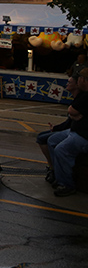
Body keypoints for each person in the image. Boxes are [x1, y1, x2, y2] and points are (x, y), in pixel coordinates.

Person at [47, 68, 88, 196]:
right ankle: (58, 175)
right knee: (51, 140)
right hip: (74, 130)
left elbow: (72, 112)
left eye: (79, 78)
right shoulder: (82, 94)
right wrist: (75, 115)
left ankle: (67, 184)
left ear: (83, 80)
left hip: (83, 136)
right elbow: (73, 113)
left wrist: (75, 114)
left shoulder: (87, 96)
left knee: (61, 150)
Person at [36, 75, 79, 184]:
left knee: (52, 141)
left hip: (74, 131)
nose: (67, 84)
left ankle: (56, 171)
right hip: (70, 128)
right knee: (41, 137)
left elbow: (71, 121)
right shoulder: (76, 98)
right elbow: (70, 120)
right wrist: (55, 128)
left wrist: (56, 129)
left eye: (70, 82)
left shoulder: (81, 99)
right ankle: (52, 167)